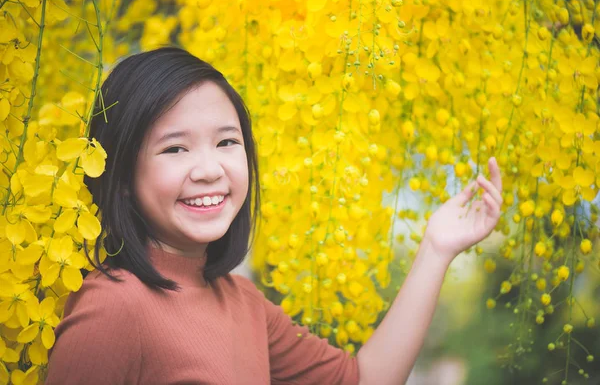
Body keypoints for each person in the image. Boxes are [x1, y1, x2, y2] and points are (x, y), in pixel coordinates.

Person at [45, 47, 503, 385]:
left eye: (227, 142)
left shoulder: (243, 302)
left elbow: (364, 380)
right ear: (121, 173)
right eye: (175, 148)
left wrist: (436, 248)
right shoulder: (113, 308)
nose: (210, 170)